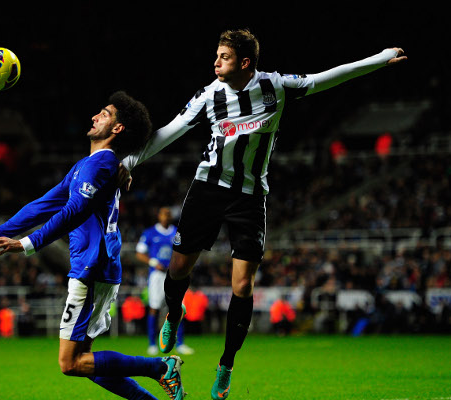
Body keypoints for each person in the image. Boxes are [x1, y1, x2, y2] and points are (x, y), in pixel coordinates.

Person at [120, 29, 407, 399]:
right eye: (216, 55)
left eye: (223, 57)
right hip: (208, 187)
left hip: (250, 196)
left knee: (243, 286)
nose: (215, 62)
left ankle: (226, 366)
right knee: (177, 270)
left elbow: (327, 78)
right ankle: (174, 315)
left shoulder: (275, 86)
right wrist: (129, 160)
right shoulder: (209, 95)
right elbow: (168, 133)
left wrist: (379, 59)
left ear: (244, 62)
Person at [0, 91, 186, 400]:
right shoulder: (88, 164)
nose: (95, 116)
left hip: (92, 267)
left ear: (117, 129)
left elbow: (74, 211)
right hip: (94, 266)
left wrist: (26, 244)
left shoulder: (101, 165)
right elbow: (44, 205)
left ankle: (160, 367)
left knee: (70, 363)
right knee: (84, 361)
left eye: (104, 114)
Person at [136, 207, 194, 355]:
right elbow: (140, 253)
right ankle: (152, 344)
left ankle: (180, 343)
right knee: (154, 307)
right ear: (159, 216)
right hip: (156, 274)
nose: (166, 217)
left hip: (174, 275)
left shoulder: (176, 232)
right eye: (164, 214)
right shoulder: (150, 233)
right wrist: (154, 263)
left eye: (168, 214)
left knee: (178, 307)